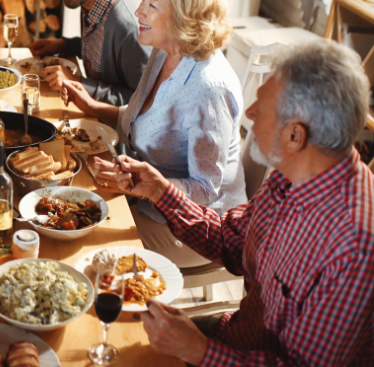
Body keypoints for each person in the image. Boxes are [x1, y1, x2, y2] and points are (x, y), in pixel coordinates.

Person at [101, 40, 374, 365]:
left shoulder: (355, 246)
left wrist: (198, 351)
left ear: (294, 136)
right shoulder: (292, 176)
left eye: (262, 107)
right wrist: (160, 191)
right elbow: (230, 238)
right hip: (235, 335)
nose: (249, 113)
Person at [76, 0, 246, 268]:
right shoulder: (164, 50)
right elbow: (143, 118)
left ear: (185, 18)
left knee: (86, 240)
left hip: (196, 228)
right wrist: (90, 105)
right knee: (74, 203)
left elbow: (206, 190)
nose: (138, 11)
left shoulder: (208, 88)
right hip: (148, 199)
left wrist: (144, 184)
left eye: (151, 4)